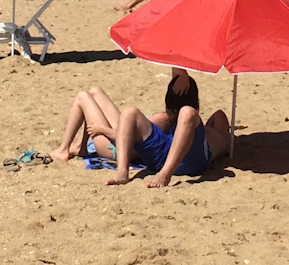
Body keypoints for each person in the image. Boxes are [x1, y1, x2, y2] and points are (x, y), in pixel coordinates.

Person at [49, 70, 233, 188]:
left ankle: (163, 175)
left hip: (160, 158)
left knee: (84, 97)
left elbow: (209, 116)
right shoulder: (213, 136)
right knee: (127, 110)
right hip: (166, 152)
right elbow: (219, 116)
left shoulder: (179, 120)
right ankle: (122, 172)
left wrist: (103, 130)